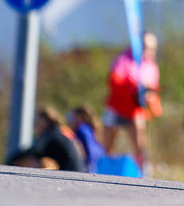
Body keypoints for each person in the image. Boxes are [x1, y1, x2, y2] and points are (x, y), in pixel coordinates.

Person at [102, 32, 162, 172]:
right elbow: (114, 81)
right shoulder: (123, 59)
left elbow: (153, 89)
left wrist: (150, 96)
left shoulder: (152, 66)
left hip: (135, 110)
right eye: (146, 47)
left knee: (140, 142)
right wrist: (132, 86)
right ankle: (102, 168)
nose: (149, 51)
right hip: (116, 107)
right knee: (107, 143)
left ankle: (141, 170)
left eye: (152, 48)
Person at [29, 106, 85, 172]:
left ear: (45, 121)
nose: (35, 124)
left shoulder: (50, 134)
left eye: (38, 120)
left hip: (70, 172)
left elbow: (34, 151)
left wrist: (15, 159)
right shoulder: (58, 131)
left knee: (32, 160)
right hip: (78, 170)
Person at [67, 105, 106, 173]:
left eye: (72, 116)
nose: (69, 119)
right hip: (96, 165)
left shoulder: (82, 130)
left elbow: (89, 149)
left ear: (80, 117)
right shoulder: (90, 129)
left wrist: (87, 164)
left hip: (88, 166)